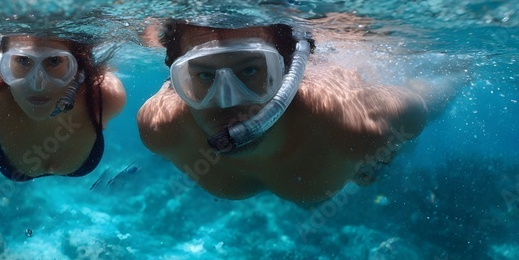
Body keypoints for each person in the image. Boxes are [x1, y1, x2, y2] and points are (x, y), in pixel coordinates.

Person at [136, 20, 463, 204]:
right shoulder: (161, 128)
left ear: (292, 71)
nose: (227, 102)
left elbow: (420, 106)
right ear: (174, 77)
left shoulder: (353, 126)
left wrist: (394, 145)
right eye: (203, 75)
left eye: (250, 71)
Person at [0, 35, 126, 181]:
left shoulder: (106, 95)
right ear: (4, 63)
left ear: (77, 66)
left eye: (54, 60)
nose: (37, 85)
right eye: (23, 60)